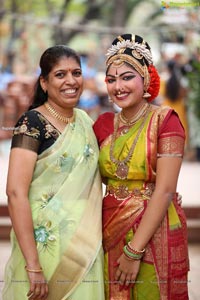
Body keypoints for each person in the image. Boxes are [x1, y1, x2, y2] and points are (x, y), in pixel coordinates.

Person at [2, 45, 105, 300]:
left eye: (76, 73)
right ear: (44, 83)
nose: (71, 81)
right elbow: (15, 193)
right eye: (60, 75)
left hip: (85, 241)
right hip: (43, 243)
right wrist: (33, 264)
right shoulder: (32, 123)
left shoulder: (85, 122)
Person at [93, 34, 189, 300]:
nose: (117, 87)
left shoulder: (166, 121)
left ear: (146, 78)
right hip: (108, 228)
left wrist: (134, 251)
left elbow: (166, 189)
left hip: (154, 228)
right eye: (111, 79)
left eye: (127, 77)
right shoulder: (101, 125)